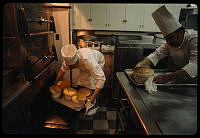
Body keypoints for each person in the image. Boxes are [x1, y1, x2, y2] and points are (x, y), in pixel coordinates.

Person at [136, 5, 197, 84]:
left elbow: (195, 65)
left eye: (171, 38)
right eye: (166, 38)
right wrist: (141, 64)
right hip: (182, 79)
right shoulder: (170, 43)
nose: (168, 42)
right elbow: (156, 55)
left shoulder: (194, 39)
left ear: (180, 33)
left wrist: (168, 77)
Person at [55, 44, 106, 114]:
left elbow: (101, 79)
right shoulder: (68, 60)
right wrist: (55, 83)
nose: (70, 68)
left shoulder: (88, 62)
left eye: (72, 67)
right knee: (82, 80)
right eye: (69, 66)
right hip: (86, 64)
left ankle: (94, 103)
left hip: (98, 61)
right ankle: (84, 100)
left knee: (92, 82)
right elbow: (61, 71)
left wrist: (93, 97)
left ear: (76, 63)